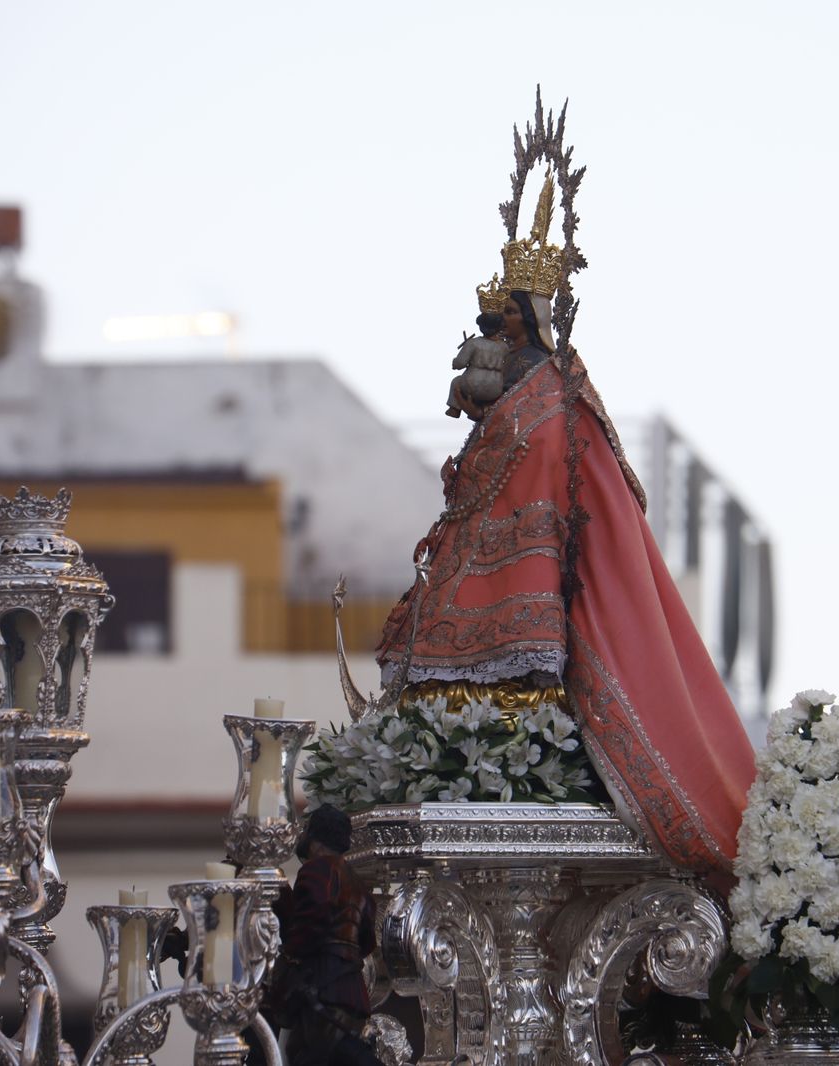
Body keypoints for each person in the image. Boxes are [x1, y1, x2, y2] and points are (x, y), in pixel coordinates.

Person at [376, 269, 756, 882]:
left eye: (507, 312)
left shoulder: (554, 391)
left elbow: (551, 462)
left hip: (533, 554)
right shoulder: (511, 379)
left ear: (527, 315)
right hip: (479, 558)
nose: (496, 323)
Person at [270, 805, 377, 1066]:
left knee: (305, 1054)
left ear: (315, 839)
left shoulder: (317, 870)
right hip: (352, 989)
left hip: (322, 985)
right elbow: (367, 941)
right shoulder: (358, 881)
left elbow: (312, 921)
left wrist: (289, 956)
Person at [445, 311, 508, 419]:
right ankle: (484, 406)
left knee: (456, 381)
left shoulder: (473, 343)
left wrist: (455, 363)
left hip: (472, 385)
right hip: (495, 389)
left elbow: (460, 363)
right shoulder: (504, 347)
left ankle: (454, 409)